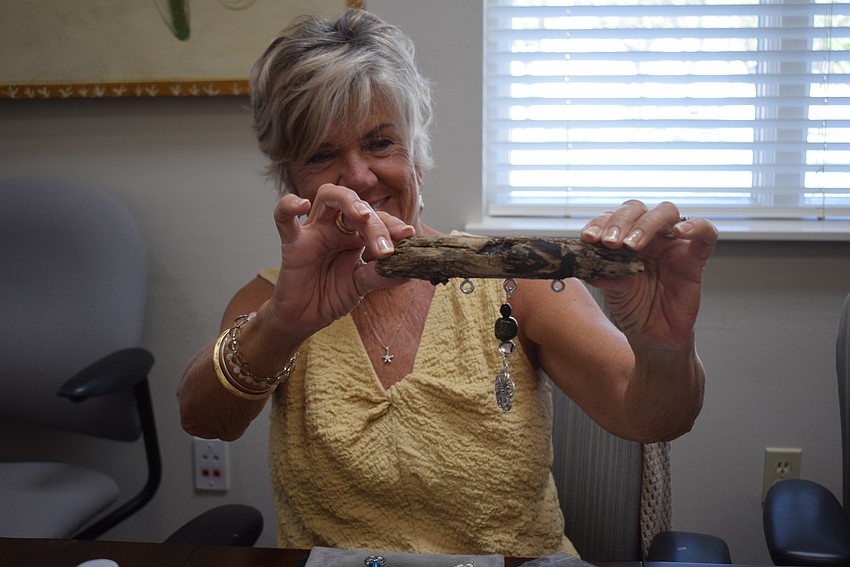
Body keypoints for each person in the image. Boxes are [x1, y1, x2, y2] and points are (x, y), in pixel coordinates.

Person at [177, 7, 718, 559]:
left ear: (416, 151)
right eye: (322, 154)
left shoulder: (513, 281)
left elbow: (652, 418)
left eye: (380, 143)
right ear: (289, 178)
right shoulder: (270, 303)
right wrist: (284, 322)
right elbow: (203, 419)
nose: (359, 176)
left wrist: (666, 346)